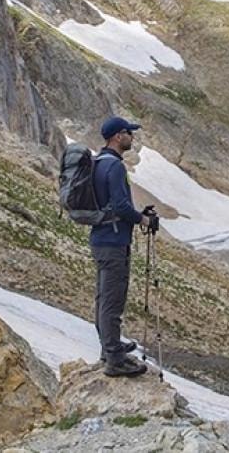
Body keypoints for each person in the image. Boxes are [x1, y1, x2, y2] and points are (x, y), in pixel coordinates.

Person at [91, 115, 154, 377]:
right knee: (112, 301)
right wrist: (143, 219)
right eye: (129, 133)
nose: (132, 137)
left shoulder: (98, 162)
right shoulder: (115, 166)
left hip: (101, 239)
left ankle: (109, 347)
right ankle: (114, 360)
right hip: (114, 241)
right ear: (118, 136)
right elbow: (120, 206)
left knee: (103, 298)